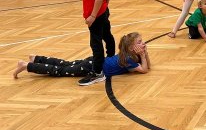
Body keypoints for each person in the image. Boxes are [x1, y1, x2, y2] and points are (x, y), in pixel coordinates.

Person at [65, 0, 116, 86]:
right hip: (103, 12)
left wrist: (93, 16)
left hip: (96, 17)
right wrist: (105, 5)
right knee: (107, 36)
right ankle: (111, 59)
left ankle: (97, 73)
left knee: (95, 43)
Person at [13, 32, 151, 79]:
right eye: (140, 42)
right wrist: (143, 56)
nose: (143, 43)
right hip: (91, 67)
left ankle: (36, 58)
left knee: (65, 64)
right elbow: (144, 70)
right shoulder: (128, 59)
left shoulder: (128, 56)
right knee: (61, 70)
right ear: (132, 48)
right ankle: (27, 65)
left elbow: (148, 66)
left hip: (93, 62)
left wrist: (144, 53)